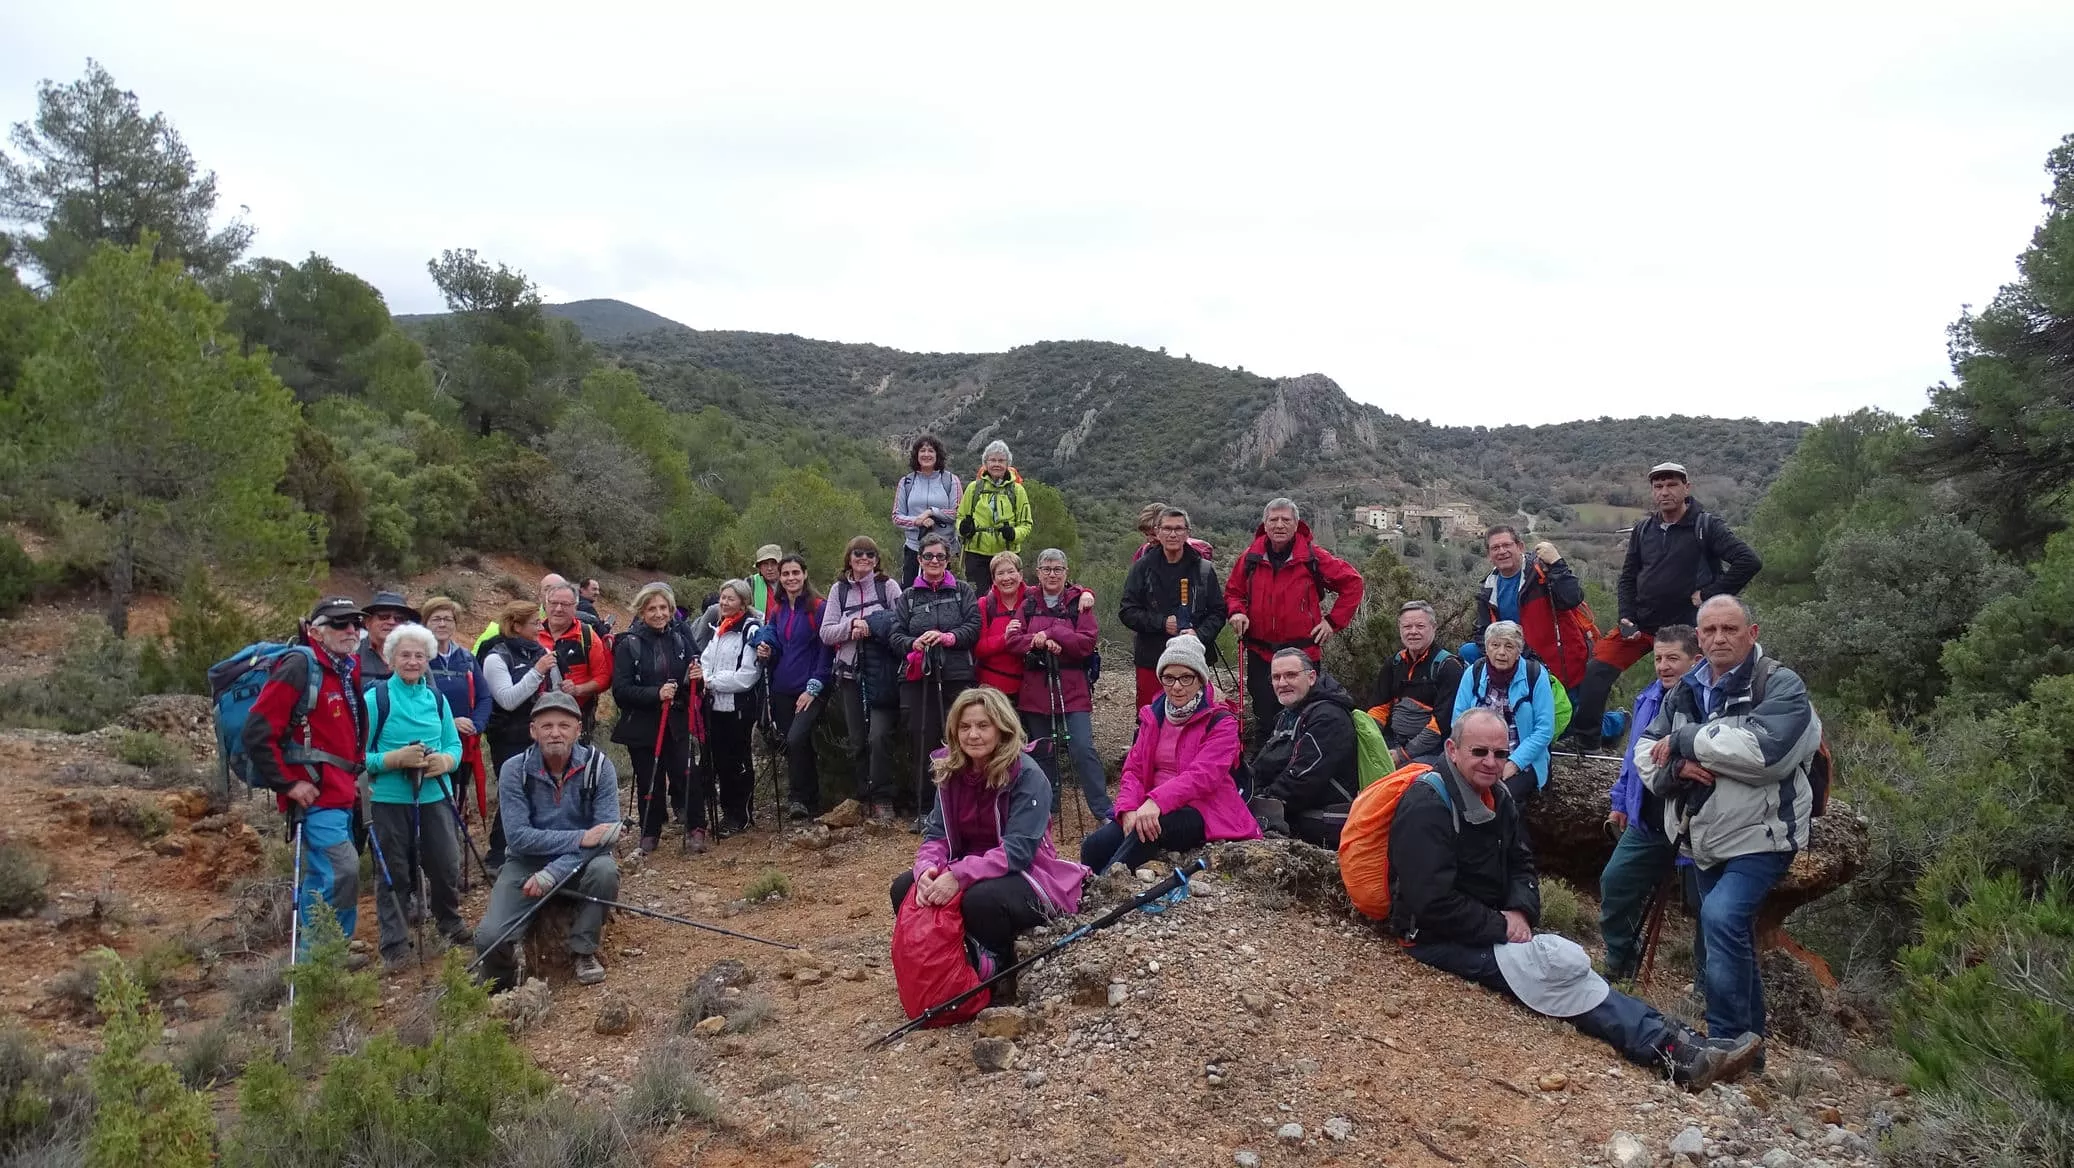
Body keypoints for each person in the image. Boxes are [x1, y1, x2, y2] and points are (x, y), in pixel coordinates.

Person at [1388, 708, 1762, 1091]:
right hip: (1433, 938)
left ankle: (1683, 1039)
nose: (1491, 762)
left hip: (1486, 922)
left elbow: (1521, 862)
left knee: (1568, 969)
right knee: (1555, 974)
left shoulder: (1496, 796)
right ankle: (1671, 1050)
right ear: (1452, 749)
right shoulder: (1428, 805)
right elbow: (1429, 903)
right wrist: (1503, 925)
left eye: (1500, 754)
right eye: (1479, 752)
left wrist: (1519, 910)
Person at [1637, 596, 1820, 1057]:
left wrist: (1686, 741)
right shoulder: (1687, 689)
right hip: (1705, 836)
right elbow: (1644, 750)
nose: (1719, 638)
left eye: (1730, 629)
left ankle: (1722, 1037)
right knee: (1727, 931)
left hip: (1764, 835)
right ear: (1698, 637)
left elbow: (1766, 754)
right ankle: (1749, 1048)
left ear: (1752, 633)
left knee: (1721, 918)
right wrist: (1676, 770)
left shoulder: (1780, 685)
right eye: (1710, 630)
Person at [889, 686, 1085, 999]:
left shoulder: (1028, 775)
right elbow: (936, 835)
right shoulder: (949, 772)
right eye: (964, 727)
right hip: (967, 865)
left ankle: (998, 968)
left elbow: (1019, 850)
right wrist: (926, 869)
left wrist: (958, 876)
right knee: (905, 888)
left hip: (1028, 872)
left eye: (983, 725)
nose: (973, 735)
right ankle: (948, 960)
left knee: (980, 899)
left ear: (1002, 728)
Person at [1570, 462, 1763, 749]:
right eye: (1658, 486)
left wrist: (1711, 593)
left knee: (1689, 689)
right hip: (1643, 625)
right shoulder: (1644, 529)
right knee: (1596, 669)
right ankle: (1587, 742)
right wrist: (1626, 616)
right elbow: (1627, 577)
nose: (1664, 492)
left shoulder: (1706, 526)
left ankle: (1690, 745)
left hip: (1685, 629)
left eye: (1672, 485)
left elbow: (1749, 561)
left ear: (1687, 488)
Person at [242, 596, 368, 959]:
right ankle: (319, 961)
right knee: (342, 871)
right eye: (340, 624)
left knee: (325, 876)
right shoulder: (300, 666)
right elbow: (257, 731)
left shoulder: (344, 667)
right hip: (315, 794)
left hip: (341, 791)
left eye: (355, 624)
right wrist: (287, 783)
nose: (351, 631)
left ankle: (327, 952)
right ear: (315, 631)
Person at [473, 691, 623, 989]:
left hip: (583, 864)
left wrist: (552, 873)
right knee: (489, 938)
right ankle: (501, 980)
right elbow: (518, 838)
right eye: (546, 726)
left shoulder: (599, 766)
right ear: (533, 731)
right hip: (525, 863)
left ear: (578, 730)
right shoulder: (514, 770)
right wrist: (581, 837)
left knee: (605, 872)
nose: (555, 733)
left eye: (564, 725)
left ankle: (583, 950)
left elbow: (605, 837)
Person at [1081, 634, 1257, 871]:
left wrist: (1156, 801)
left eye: (1186, 677)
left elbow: (1203, 775)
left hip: (1203, 808)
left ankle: (1104, 888)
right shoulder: (1153, 716)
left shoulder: (1221, 721)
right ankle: (1081, 894)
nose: (1176, 686)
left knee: (1148, 830)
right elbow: (1133, 768)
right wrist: (1128, 808)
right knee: (1093, 846)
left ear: (1200, 679)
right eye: (1169, 677)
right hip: (1150, 806)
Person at [1600, 624, 1708, 985]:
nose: (1663, 666)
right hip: (1646, 820)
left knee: (1706, 911)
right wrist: (1621, 800)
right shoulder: (1647, 698)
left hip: (1697, 824)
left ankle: (1707, 987)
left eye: (1673, 658)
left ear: (1697, 660)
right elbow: (1633, 758)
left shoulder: (1710, 702)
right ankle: (1621, 960)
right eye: (1659, 658)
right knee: (1615, 883)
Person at [360, 621, 467, 972]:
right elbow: (358, 756)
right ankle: (394, 943)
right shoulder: (377, 699)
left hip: (435, 793)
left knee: (446, 863)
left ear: (428, 660)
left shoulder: (436, 699)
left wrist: (445, 761)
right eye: (405, 655)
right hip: (390, 799)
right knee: (394, 871)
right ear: (391, 659)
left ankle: (449, 923)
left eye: (419, 656)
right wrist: (392, 760)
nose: (412, 661)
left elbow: (454, 744)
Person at [1225, 498, 1366, 749]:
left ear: (1296, 524)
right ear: (1264, 524)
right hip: (1261, 653)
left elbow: (1353, 583)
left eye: (1286, 520)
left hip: (1303, 654)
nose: (1279, 525)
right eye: (1274, 519)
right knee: (1264, 713)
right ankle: (1264, 766)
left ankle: (1304, 760)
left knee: (1306, 712)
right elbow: (1233, 592)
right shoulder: (1251, 558)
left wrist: (1333, 622)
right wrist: (1237, 612)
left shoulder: (1313, 557)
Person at [874, 534, 980, 825]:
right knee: (923, 740)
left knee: (963, 740)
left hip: (957, 676)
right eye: (929, 556)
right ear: (919, 560)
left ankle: (964, 806)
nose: (935, 561)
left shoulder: (962, 591)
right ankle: (927, 809)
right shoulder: (907, 597)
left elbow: (973, 627)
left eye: (940, 557)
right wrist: (914, 643)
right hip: (918, 677)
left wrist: (949, 637)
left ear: (948, 561)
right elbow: (895, 635)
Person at [1006, 549, 1113, 830]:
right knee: (1043, 751)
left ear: (1066, 572)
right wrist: (1039, 642)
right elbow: (1013, 640)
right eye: (1046, 568)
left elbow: (1086, 643)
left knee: (1082, 747)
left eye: (1057, 569)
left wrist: (1053, 633)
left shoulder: (1079, 602)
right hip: (1036, 689)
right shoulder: (1028, 602)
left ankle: (1103, 810)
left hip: (1072, 687)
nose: (1052, 574)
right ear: (1038, 572)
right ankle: (1047, 807)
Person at [1412, 621, 1556, 804]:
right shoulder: (1474, 673)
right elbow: (1458, 721)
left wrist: (1514, 763)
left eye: (1509, 646)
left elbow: (1544, 730)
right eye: (1495, 645)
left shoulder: (1535, 675)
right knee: (1439, 789)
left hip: (1520, 758)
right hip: (1476, 754)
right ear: (1487, 648)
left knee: (1500, 798)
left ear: (1519, 650)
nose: (1501, 652)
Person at [611, 582, 702, 854]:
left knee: (688, 774)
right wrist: (655, 693)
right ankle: (650, 832)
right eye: (652, 609)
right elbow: (621, 690)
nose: (659, 613)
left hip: (676, 722)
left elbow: (688, 684)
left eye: (664, 608)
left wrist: (697, 680)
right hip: (642, 724)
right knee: (649, 779)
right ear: (641, 612)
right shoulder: (629, 644)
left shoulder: (679, 639)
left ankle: (697, 828)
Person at [821, 536, 904, 823]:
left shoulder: (888, 587)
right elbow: (826, 632)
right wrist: (851, 626)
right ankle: (862, 795)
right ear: (849, 557)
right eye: (858, 553)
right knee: (857, 740)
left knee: (878, 735)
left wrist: (872, 626)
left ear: (877, 559)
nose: (864, 558)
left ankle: (882, 796)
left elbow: (901, 622)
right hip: (849, 673)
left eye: (870, 553)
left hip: (881, 672)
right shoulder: (839, 590)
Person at [1248, 648, 1360, 848]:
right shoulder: (1290, 714)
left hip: (1326, 818)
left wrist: (1262, 800)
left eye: (1291, 675)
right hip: (1299, 807)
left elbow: (1303, 781)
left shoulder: (1329, 717)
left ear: (1311, 677)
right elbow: (1265, 764)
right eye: (1276, 677)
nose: (1282, 683)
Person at [480, 599, 561, 870]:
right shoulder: (495, 657)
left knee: (540, 790)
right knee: (512, 792)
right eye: (534, 623)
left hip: (538, 733)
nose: (540, 627)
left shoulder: (539, 651)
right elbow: (507, 699)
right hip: (508, 736)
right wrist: (537, 672)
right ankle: (498, 855)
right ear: (515, 625)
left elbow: (554, 690)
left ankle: (532, 850)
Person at [1119, 507, 1226, 710]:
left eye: (1178, 529)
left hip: (1193, 659)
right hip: (1151, 657)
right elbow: (1127, 611)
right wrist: (1161, 623)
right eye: (1167, 528)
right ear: (1158, 532)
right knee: (1150, 716)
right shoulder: (1142, 568)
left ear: (1188, 532)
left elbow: (1218, 612)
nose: (1173, 534)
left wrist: (1198, 634)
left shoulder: (1203, 569)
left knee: (1193, 716)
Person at [754, 555, 833, 821]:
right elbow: (770, 634)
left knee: (796, 738)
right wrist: (764, 645)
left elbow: (827, 649)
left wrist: (814, 686)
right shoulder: (778, 609)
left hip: (810, 688)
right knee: (795, 746)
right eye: (785, 573)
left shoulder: (818, 607)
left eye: (795, 572)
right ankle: (807, 800)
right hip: (781, 688)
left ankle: (801, 797)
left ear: (805, 574)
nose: (790, 578)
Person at [1472, 527, 1589, 689]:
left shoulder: (1541, 573)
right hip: (1519, 668)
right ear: (1489, 556)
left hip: (1561, 667)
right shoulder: (1488, 588)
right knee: (1467, 651)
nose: (1502, 551)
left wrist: (1557, 563)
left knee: (1570, 713)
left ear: (1520, 547)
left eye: (1507, 545)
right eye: (1495, 548)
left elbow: (1572, 598)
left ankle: (1616, 716)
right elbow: (1482, 632)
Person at [694, 579, 765, 836]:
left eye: (730, 599)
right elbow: (706, 659)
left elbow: (747, 676)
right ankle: (727, 813)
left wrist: (709, 682)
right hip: (714, 707)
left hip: (738, 708)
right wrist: (702, 677)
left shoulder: (751, 629)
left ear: (743, 603)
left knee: (738, 762)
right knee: (719, 761)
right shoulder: (721, 628)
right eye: (722, 598)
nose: (723, 603)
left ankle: (740, 815)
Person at [1366, 601, 1465, 766]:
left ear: (1433, 627)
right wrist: (1369, 740)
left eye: (1420, 626)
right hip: (1392, 741)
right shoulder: (1395, 663)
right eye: (1407, 626)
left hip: (1431, 751)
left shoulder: (1448, 667)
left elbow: (1440, 725)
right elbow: (1378, 708)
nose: (1413, 632)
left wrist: (1403, 754)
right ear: (1400, 629)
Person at [421, 597, 493, 822]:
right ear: (425, 623)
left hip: (463, 745)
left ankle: (454, 852)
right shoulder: (418, 658)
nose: (442, 624)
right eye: (436, 619)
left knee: (458, 803)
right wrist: (449, 723)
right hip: (430, 746)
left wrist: (477, 725)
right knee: (433, 808)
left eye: (448, 619)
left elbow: (485, 696)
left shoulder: (466, 659)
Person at [538, 580, 613, 739]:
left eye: (565, 604)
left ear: (575, 607)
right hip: (537, 714)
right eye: (554, 603)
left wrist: (578, 689)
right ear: (545, 605)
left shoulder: (587, 636)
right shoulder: (533, 634)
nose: (558, 609)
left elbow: (604, 678)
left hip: (576, 713)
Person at [954, 440, 1033, 583]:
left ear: (1007, 464)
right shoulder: (974, 488)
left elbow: (1026, 524)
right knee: (978, 598)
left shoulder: (1017, 491)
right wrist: (963, 528)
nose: (997, 464)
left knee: (1006, 596)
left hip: (1007, 554)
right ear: (986, 463)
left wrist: (1014, 534)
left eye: (1001, 460)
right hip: (976, 554)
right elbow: (960, 516)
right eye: (993, 460)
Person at [892, 434, 964, 586]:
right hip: (914, 549)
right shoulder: (906, 482)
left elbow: (958, 512)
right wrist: (918, 521)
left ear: (937, 455)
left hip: (945, 551)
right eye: (922, 450)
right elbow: (897, 517)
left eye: (931, 451)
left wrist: (932, 511)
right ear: (916, 455)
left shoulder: (951, 481)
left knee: (946, 594)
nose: (926, 454)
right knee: (911, 593)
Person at [357, 590, 420, 683]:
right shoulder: (353, 654)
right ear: (367, 622)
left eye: (399, 618)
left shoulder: (418, 655)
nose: (391, 622)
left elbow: (430, 693)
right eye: (383, 616)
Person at [1132, 502, 1216, 563]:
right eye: (1146, 534)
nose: (1150, 540)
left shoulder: (1197, 553)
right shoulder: (1142, 553)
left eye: (1154, 535)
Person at [750, 545, 784, 616]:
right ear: (759, 567)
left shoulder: (791, 582)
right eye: (765, 564)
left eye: (774, 563)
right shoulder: (751, 583)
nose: (769, 568)